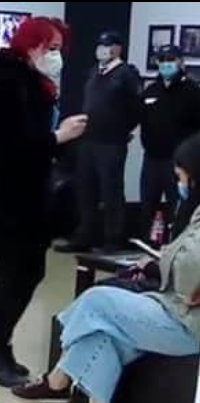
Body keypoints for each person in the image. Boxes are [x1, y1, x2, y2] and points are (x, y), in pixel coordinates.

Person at [12, 133, 200, 403]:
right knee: (102, 330)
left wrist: (160, 264)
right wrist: (163, 260)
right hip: (173, 307)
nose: (178, 182)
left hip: (186, 323)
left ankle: (58, 381)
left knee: (95, 302)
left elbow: (190, 270)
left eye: (181, 175)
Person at [0, 17, 89, 387]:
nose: (56, 57)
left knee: (27, 273)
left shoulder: (34, 86)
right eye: (50, 48)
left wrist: (58, 140)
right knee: (14, 276)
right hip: (9, 201)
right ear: (32, 46)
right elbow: (7, 148)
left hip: (27, 200)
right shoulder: (10, 87)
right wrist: (57, 137)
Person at [57, 31, 141, 253]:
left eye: (108, 45)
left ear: (118, 48)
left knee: (111, 190)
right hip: (88, 139)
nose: (103, 49)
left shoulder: (127, 74)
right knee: (86, 190)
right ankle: (84, 236)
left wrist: (122, 130)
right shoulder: (94, 71)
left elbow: (136, 108)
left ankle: (112, 239)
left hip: (111, 142)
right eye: (101, 45)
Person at [138, 44, 200, 243]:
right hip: (151, 160)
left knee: (179, 207)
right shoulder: (151, 90)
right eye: (162, 60)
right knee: (147, 206)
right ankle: (147, 246)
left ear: (180, 62)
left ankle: (176, 247)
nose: (166, 64)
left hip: (178, 164)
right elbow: (140, 118)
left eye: (171, 60)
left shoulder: (192, 91)